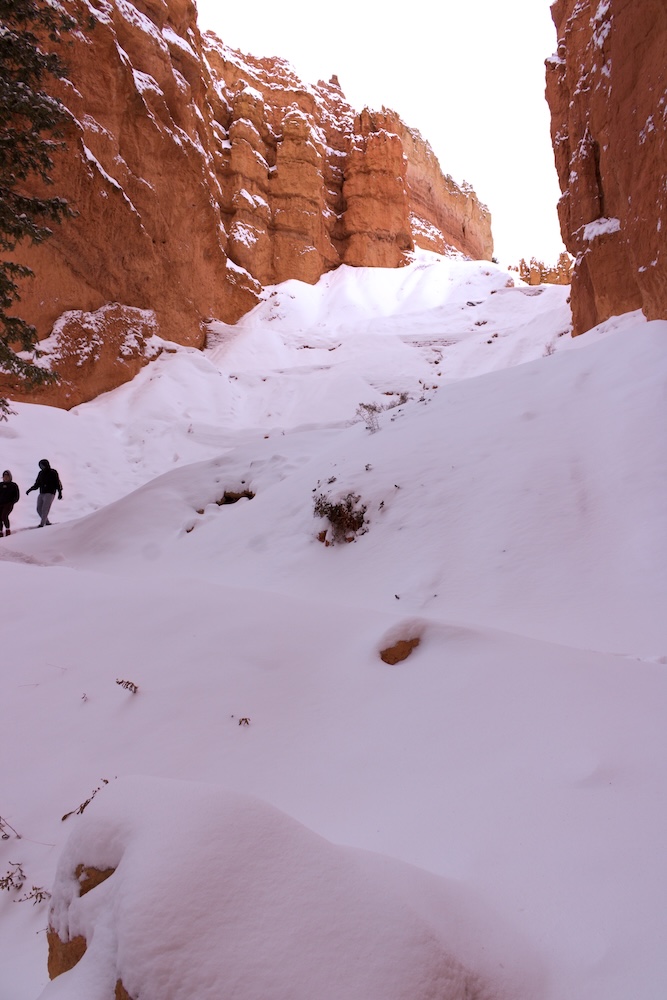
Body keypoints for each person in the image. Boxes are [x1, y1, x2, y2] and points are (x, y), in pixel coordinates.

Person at [26, 459, 63, 527]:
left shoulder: (53, 472)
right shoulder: (41, 473)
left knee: (45, 508)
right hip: (42, 493)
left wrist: (60, 492)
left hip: (50, 493)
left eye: (42, 465)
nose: (41, 467)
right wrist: (30, 489)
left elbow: (58, 483)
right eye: (40, 466)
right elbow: (37, 484)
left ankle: (42, 524)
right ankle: (47, 522)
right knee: (38, 509)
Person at [0, 470, 20, 536]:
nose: (5, 478)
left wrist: (12, 502)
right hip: (0, 504)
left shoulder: (13, 485)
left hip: (8, 504)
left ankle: (7, 530)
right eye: (4, 476)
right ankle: (0, 532)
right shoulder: (0, 485)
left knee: (4, 516)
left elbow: (17, 496)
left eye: (7, 476)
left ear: (10, 477)